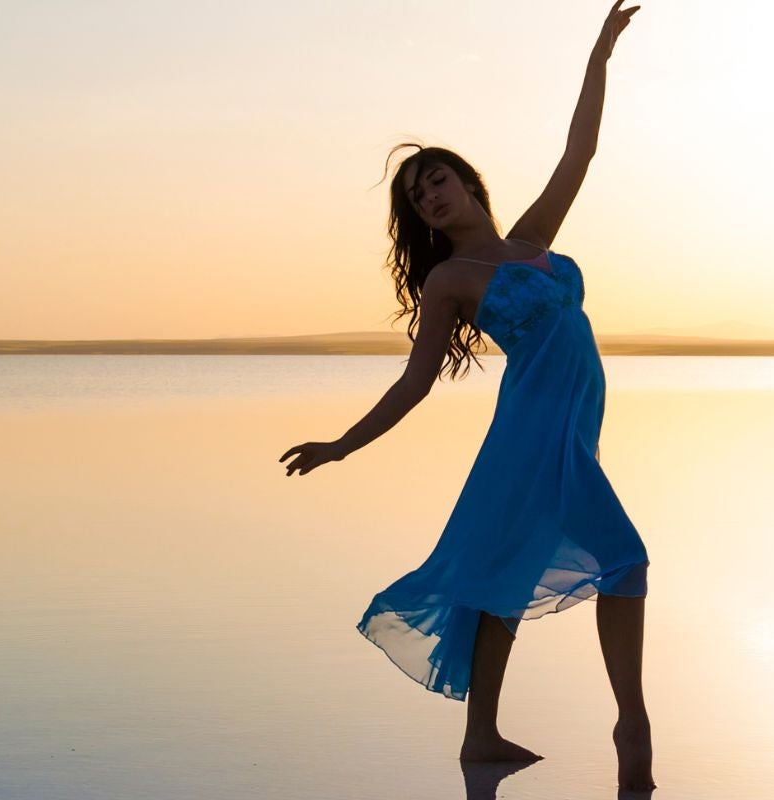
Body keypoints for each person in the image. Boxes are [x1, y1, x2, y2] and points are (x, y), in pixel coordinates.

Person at [278, 1, 653, 790]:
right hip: (531, 437)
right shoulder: (451, 280)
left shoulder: (531, 243)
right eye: (418, 198)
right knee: (620, 560)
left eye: (437, 180)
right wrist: (340, 444)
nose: (431, 197)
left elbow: (577, 153)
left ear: (466, 180)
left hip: (571, 436)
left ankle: (481, 739)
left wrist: (600, 54)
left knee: (506, 581)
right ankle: (631, 725)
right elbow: (414, 384)